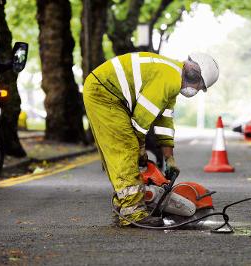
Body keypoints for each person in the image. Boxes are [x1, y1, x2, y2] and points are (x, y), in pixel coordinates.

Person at [83, 52, 219, 227]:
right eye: (200, 87)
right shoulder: (169, 78)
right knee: (126, 148)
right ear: (196, 77)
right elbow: (141, 119)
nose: (197, 90)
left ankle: (125, 204)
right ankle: (132, 211)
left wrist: (169, 157)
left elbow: (164, 121)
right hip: (103, 92)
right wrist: (140, 148)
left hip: (107, 91)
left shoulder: (173, 78)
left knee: (124, 150)